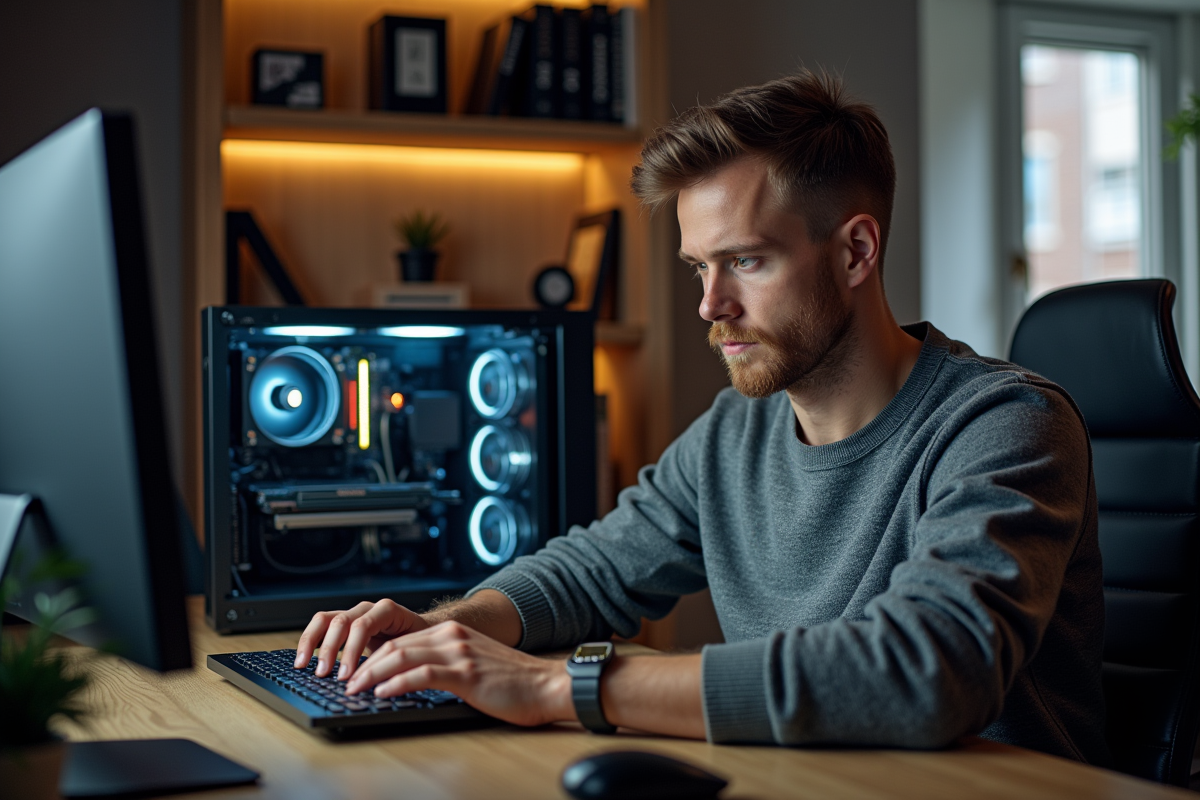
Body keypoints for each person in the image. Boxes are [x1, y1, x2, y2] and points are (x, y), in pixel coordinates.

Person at [293, 70, 1107, 764]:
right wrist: (445, 631)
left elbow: (927, 670)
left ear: (857, 252)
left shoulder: (1006, 424)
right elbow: (595, 571)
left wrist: (553, 686)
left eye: (746, 261)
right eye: (698, 268)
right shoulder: (733, 433)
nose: (710, 305)